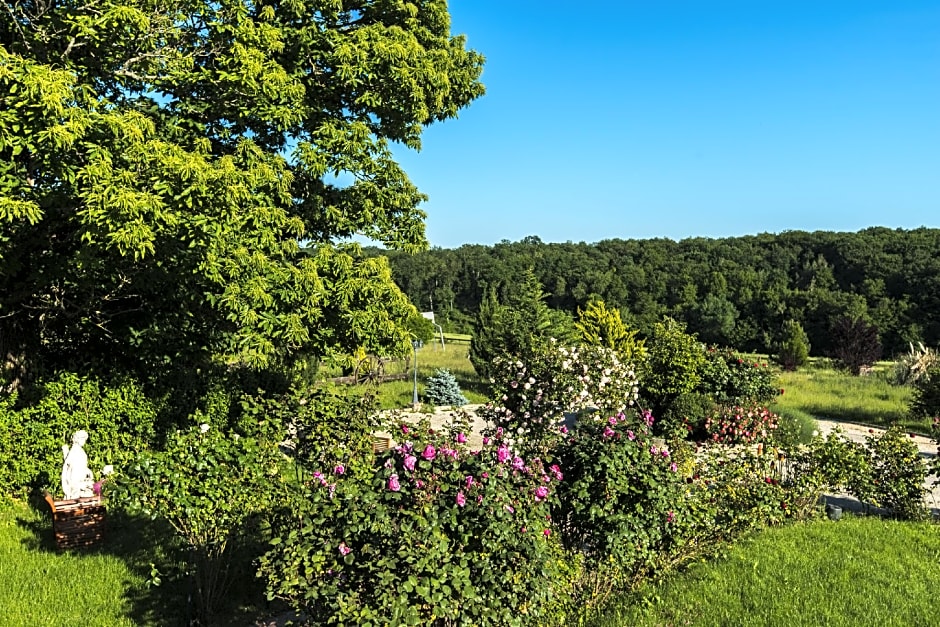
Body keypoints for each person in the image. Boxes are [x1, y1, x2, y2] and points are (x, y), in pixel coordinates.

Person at [61, 430, 95, 499]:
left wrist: (87, 470)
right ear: (78, 439)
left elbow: (80, 465)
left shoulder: (79, 450)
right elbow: (72, 466)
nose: (84, 441)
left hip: (79, 479)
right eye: (83, 439)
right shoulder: (75, 450)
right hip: (76, 481)